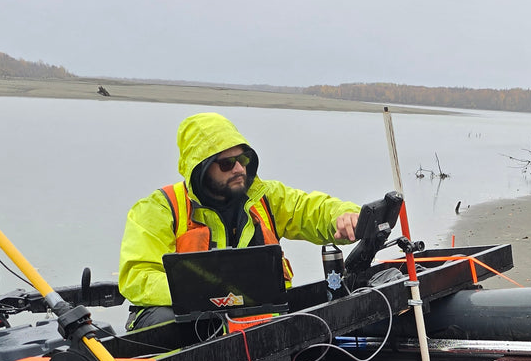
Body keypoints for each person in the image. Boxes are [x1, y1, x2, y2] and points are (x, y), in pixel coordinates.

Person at [119, 112, 359, 329]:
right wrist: (211, 291)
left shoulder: (265, 197)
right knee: (167, 322)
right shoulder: (159, 209)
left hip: (255, 321)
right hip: (189, 326)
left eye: (243, 159)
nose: (238, 169)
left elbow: (312, 209)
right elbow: (137, 277)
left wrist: (346, 216)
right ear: (200, 169)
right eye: (226, 163)